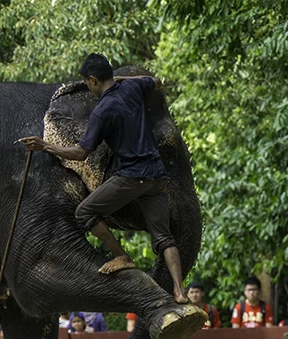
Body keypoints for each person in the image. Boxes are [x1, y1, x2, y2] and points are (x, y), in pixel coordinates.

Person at [19, 53, 190, 304]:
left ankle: (122, 256)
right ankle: (180, 292)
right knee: (164, 238)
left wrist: (45, 146)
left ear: (92, 80)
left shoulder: (102, 111)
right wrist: (119, 78)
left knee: (84, 212)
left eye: (88, 83)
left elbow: (80, 153)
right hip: (157, 175)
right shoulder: (133, 86)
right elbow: (157, 81)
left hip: (132, 176)